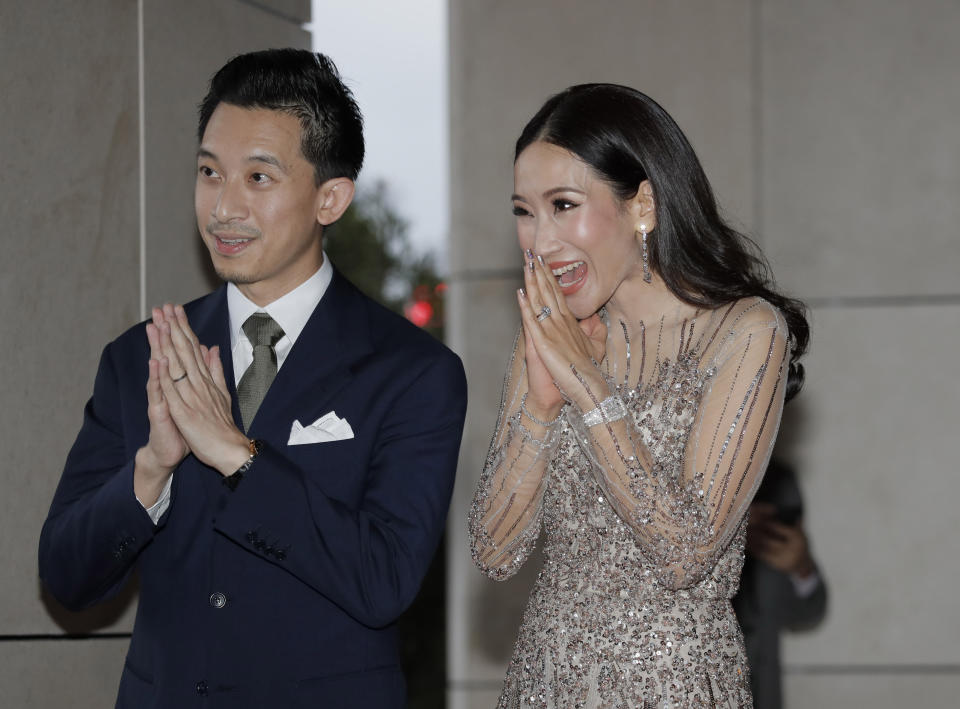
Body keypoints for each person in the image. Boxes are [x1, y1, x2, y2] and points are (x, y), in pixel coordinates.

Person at [39, 48, 467, 708]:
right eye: (210, 172)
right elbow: (65, 576)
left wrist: (239, 456)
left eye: (258, 178)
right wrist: (151, 468)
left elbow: (384, 580)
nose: (223, 207)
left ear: (331, 198)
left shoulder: (412, 371)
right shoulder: (141, 356)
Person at [468, 84, 809, 707]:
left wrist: (588, 388)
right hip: (544, 682)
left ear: (642, 205)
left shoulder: (747, 331)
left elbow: (686, 552)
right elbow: (493, 551)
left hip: (673, 685)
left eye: (563, 205)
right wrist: (542, 407)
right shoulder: (552, 332)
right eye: (523, 211)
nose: (539, 242)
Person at [733, 460, 828, 709]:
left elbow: (808, 613)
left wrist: (801, 567)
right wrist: (729, 526)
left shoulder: (777, 483)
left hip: (760, 690)